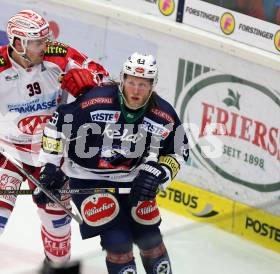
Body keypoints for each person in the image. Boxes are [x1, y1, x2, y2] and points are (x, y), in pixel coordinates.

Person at [0, 10, 109, 274]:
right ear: (18, 43)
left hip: (51, 154)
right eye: (38, 42)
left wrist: (92, 87)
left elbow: (102, 78)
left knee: (58, 231)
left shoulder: (59, 57)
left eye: (45, 40)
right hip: (6, 153)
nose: (45, 46)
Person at [36, 52, 189, 274]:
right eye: (132, 82)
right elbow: (56, 124)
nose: (136, 90)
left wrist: (158, 175)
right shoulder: (96, 101)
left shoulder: (162, 114)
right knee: (119, 246)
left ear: (152, 85)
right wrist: (49, 166)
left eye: (143, 84)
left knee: (151, 242)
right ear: (122, 80)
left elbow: (179, 150)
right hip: (88, 179)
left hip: (133, 180)